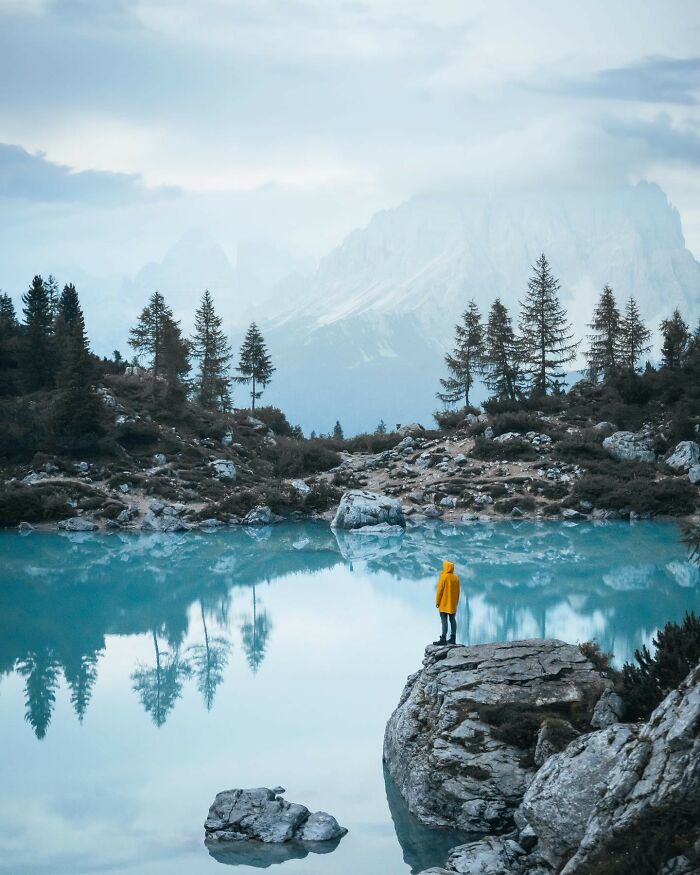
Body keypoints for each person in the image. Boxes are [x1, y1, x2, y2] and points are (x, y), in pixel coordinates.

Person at [433, 560, 460, 645]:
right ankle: (453, 638)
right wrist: (456, 602)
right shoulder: (456, 577)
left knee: (444, 620)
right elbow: (458, 591)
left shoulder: (443, 577)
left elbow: (439, 591)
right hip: (452, 603)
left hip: (444, 603)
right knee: (452, 619)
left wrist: (437, 601)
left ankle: (443, 638)